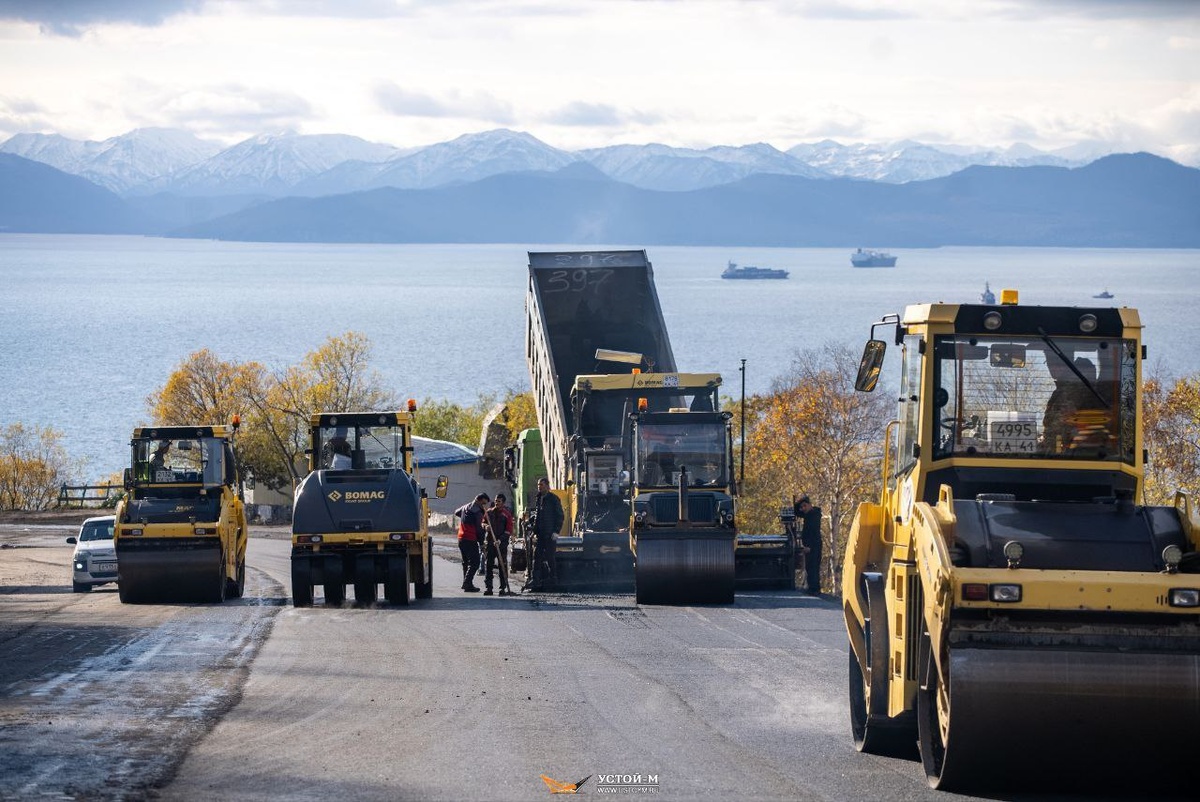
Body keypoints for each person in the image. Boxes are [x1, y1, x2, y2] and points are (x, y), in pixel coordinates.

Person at [1042, 357, 1102, 452]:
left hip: (1071, 452)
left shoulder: (1073, 392)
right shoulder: (1062, 391)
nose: (1053, 368)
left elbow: (1056, 425)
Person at [524, 477, 564, 592]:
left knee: (551, 557)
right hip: (541, 534)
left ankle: (553, 579)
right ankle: (535, 579)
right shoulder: (539, 498)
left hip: (550, 533)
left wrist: (556, 531)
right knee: (537, 556)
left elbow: (560, 516)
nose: (539, 487)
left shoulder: (553, 499)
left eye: (541, 484)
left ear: (547, 485)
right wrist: (532, 527)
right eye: (538, 485)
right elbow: (538, 515)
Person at [454, 493, 489, 592]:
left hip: (461, 537)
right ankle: (467, 583)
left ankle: (466, 583)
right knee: (475, 562)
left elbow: (456, 512)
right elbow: (479, 530)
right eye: (483, 503)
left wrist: (465, 516)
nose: (484, 506)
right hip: (470, 538)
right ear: (479, 500)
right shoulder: (477, 512)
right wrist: (482, 543)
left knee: (466, 562)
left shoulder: (466, 507)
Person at [483, 494, 516, 596]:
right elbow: (483, 522)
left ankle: (503, 588)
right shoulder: (489, 512)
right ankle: (489, 588)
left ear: (503, 503)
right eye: (496, 501)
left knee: (502, 565)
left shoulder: (507, 515)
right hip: (490, 542)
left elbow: (508, 530)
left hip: (501, 544)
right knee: (489, 565)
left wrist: (500, 540)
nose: (497, 503)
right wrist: (485, 527)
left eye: (499, 501)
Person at [794, 494, 823, 595]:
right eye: (801, 507)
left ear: (810, 505)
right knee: (811, 566)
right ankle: (814, 587)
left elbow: (813, 532)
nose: (802, 509)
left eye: (804, 506)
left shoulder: (813, 516)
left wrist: (809, 546)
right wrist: (797, 503)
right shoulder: (810, 514)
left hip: (813, 545)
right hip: (812, 544)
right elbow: (797, 512)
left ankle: (814, 589)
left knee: (812, 566)